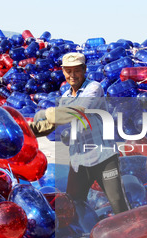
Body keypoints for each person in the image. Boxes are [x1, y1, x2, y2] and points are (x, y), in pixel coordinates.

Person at [30, 52, 130, 214]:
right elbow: (54, 123)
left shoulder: (94, 88)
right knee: (73, 204)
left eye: (76, 70)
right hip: (80, 160)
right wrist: (28, 131)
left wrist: (46, 112)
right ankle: (80, 236)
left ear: (84, 69)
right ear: (63, 72)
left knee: (117, 201)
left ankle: (130, 235)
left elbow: (79, 110)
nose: (72, 75)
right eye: (68, 71)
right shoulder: (65, 96)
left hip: (103, 157)